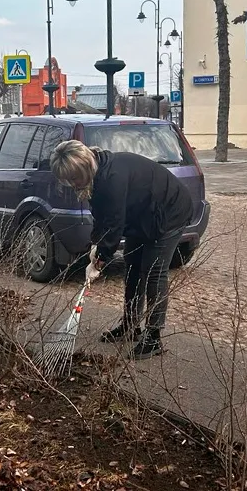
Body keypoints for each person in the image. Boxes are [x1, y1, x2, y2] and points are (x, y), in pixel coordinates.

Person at [50, 140, 193, 360]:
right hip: (142, 216)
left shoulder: (112, 178)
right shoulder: (96, 177)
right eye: (68, 180)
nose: (73, 184)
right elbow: (102, 216)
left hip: (169, 213)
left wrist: (103, 257)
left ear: (85, 167)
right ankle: (130, 325)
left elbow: (115, 224)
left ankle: (153, 337)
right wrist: (95, 247)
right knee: (133, 267)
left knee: (154, 272)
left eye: (74, 178)